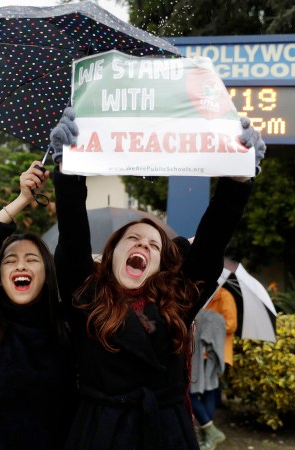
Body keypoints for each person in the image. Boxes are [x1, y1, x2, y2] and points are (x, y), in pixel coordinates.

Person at [49, 107, 265, 449]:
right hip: (99, 433)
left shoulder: (178, 300)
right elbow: (73, 236)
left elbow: (211, 242)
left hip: (165, 433)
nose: (143, 245)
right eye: (133, 239)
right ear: (111, 254)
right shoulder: (85, 295)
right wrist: (68, 170)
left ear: (160, 265)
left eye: (153, 245)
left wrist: (238, 181)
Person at [0, 162, 78, 450]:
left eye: (32, 260)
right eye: (10, 260)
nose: (21, 264)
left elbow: (74, 246)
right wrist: (22, 200)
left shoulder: (68, 326)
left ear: (47, 273)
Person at [189, 308, 227, 450]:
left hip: (207, 358)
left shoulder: (224, 297)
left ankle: (210, 434)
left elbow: (231, 323)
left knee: (200, 392)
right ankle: (208, 436)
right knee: (199, 393)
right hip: (197, 356)